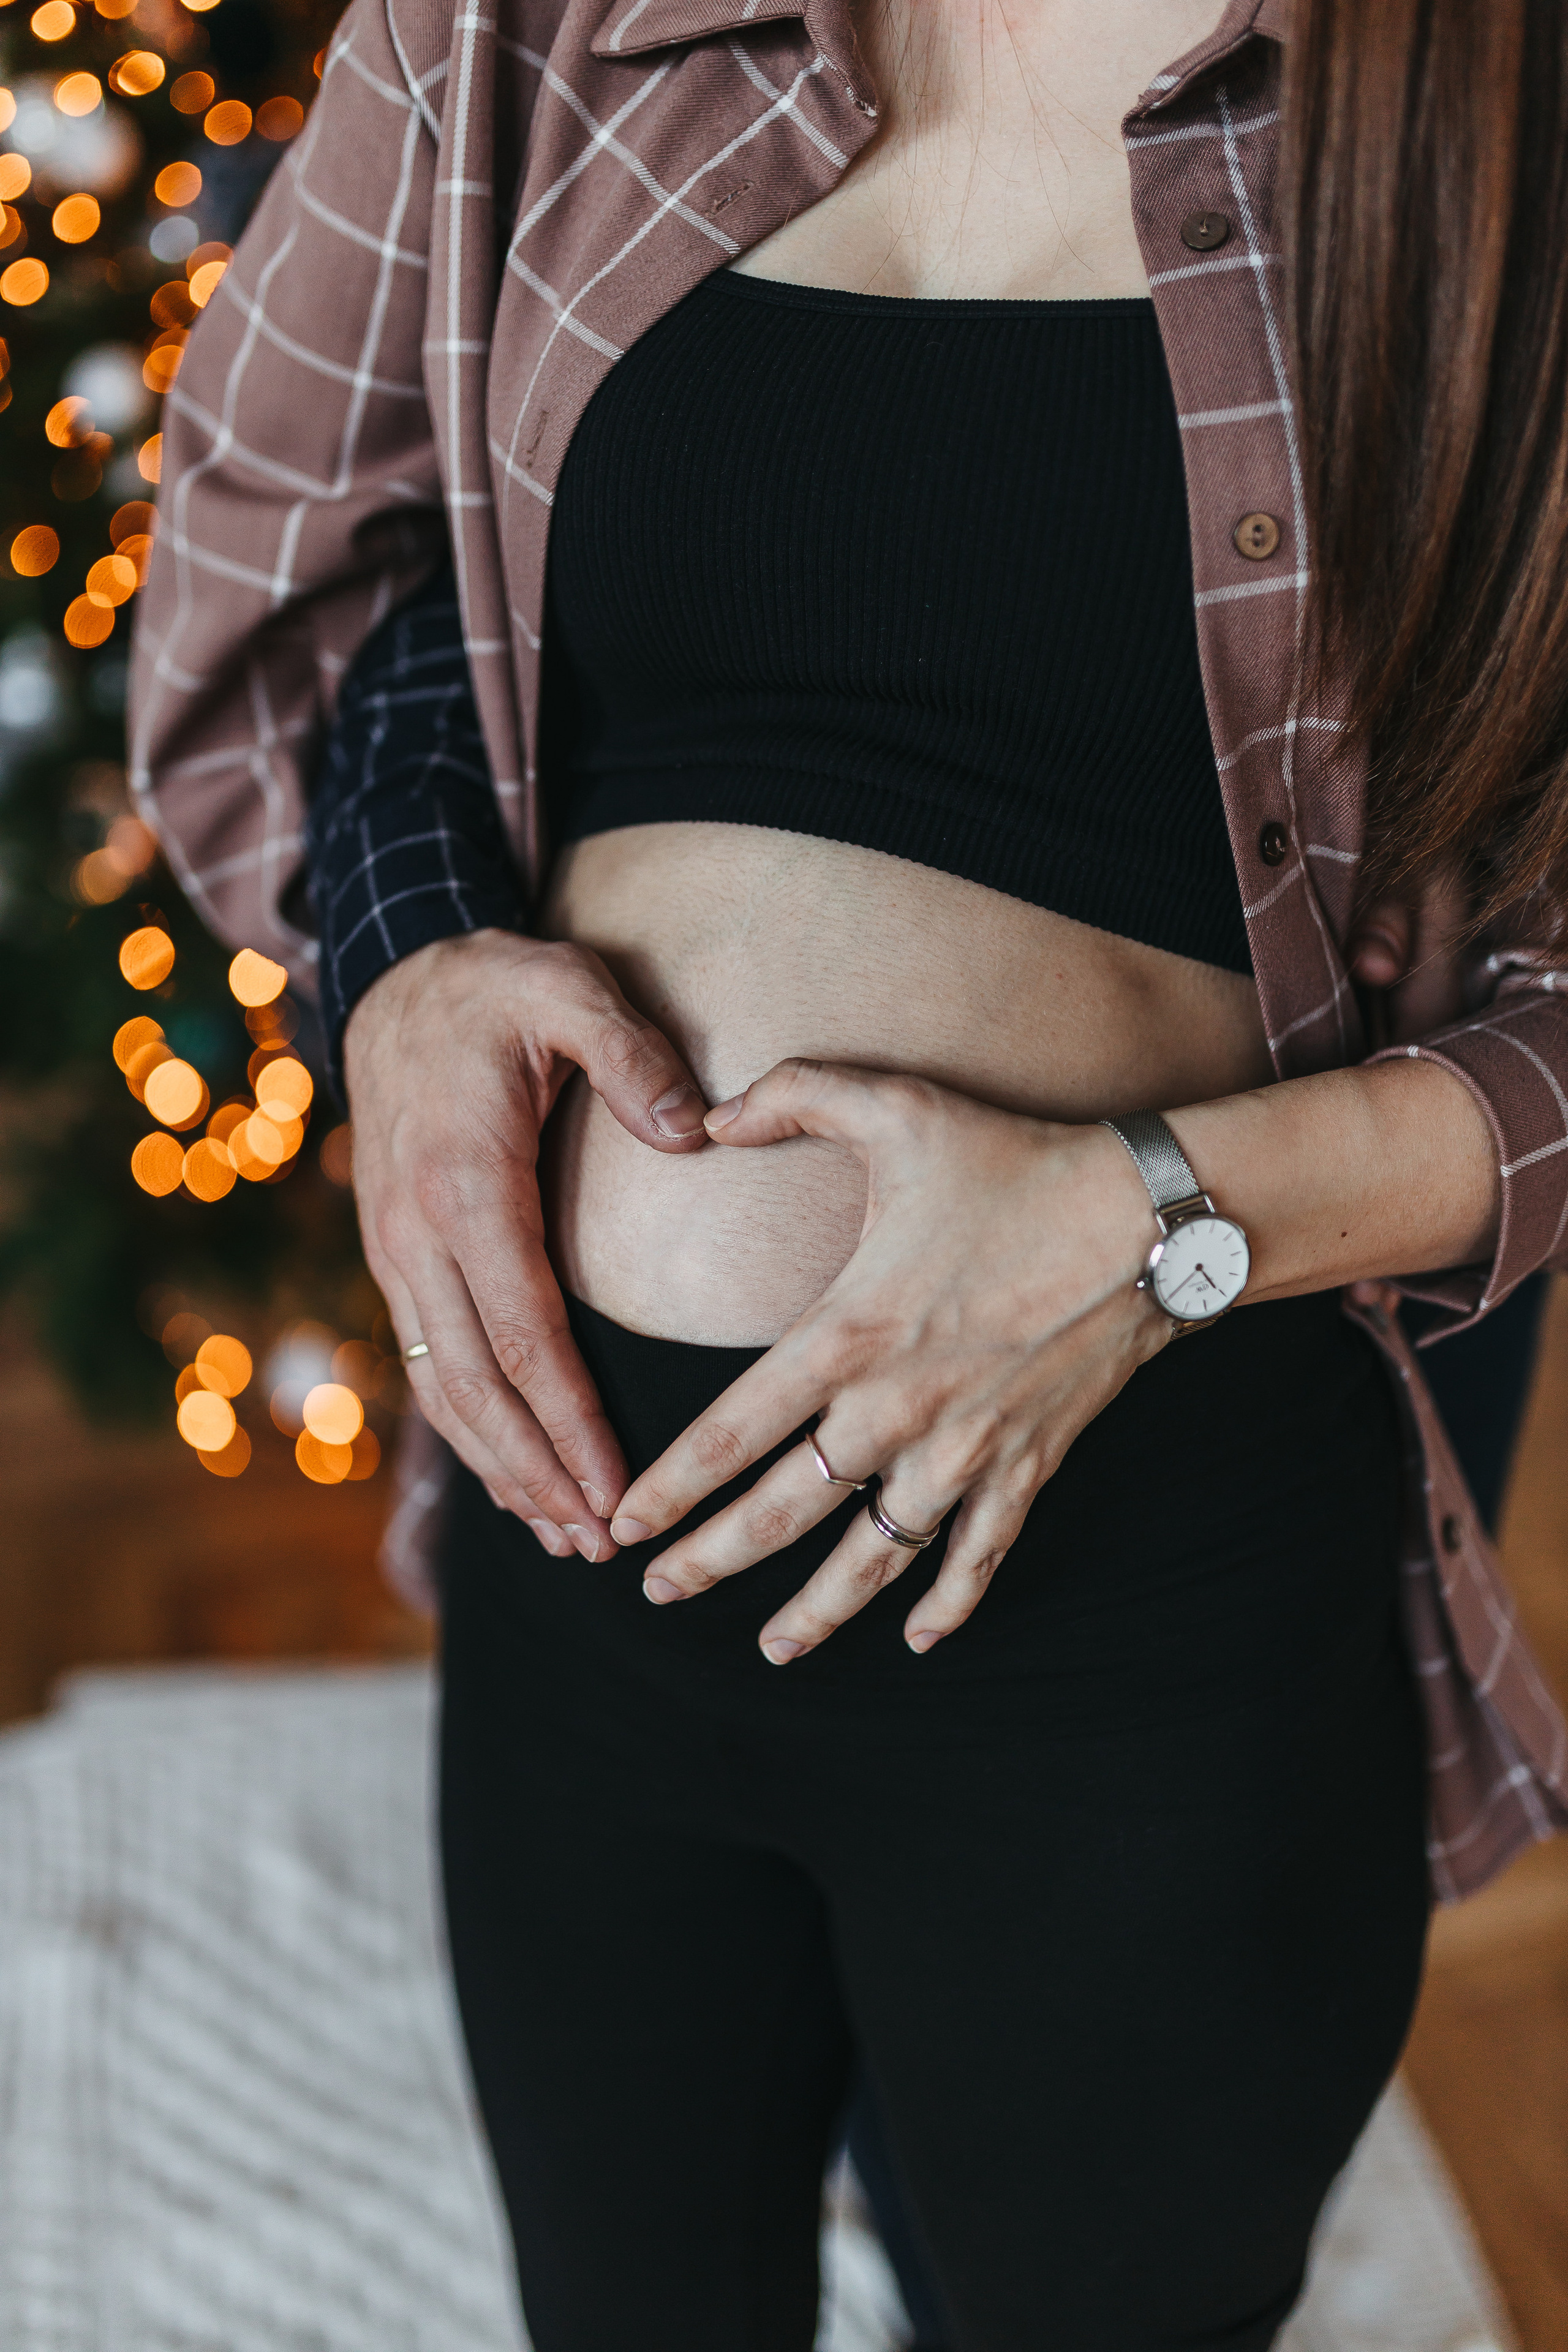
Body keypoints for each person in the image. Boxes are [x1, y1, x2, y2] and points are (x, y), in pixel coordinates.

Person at [132, 3, 1568, 2346]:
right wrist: (402, 972)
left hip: (1148, 1612)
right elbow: (301, 573)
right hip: (583, 1560)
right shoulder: (526, 25)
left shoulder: (1487, 115)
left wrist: (1148, 1220)